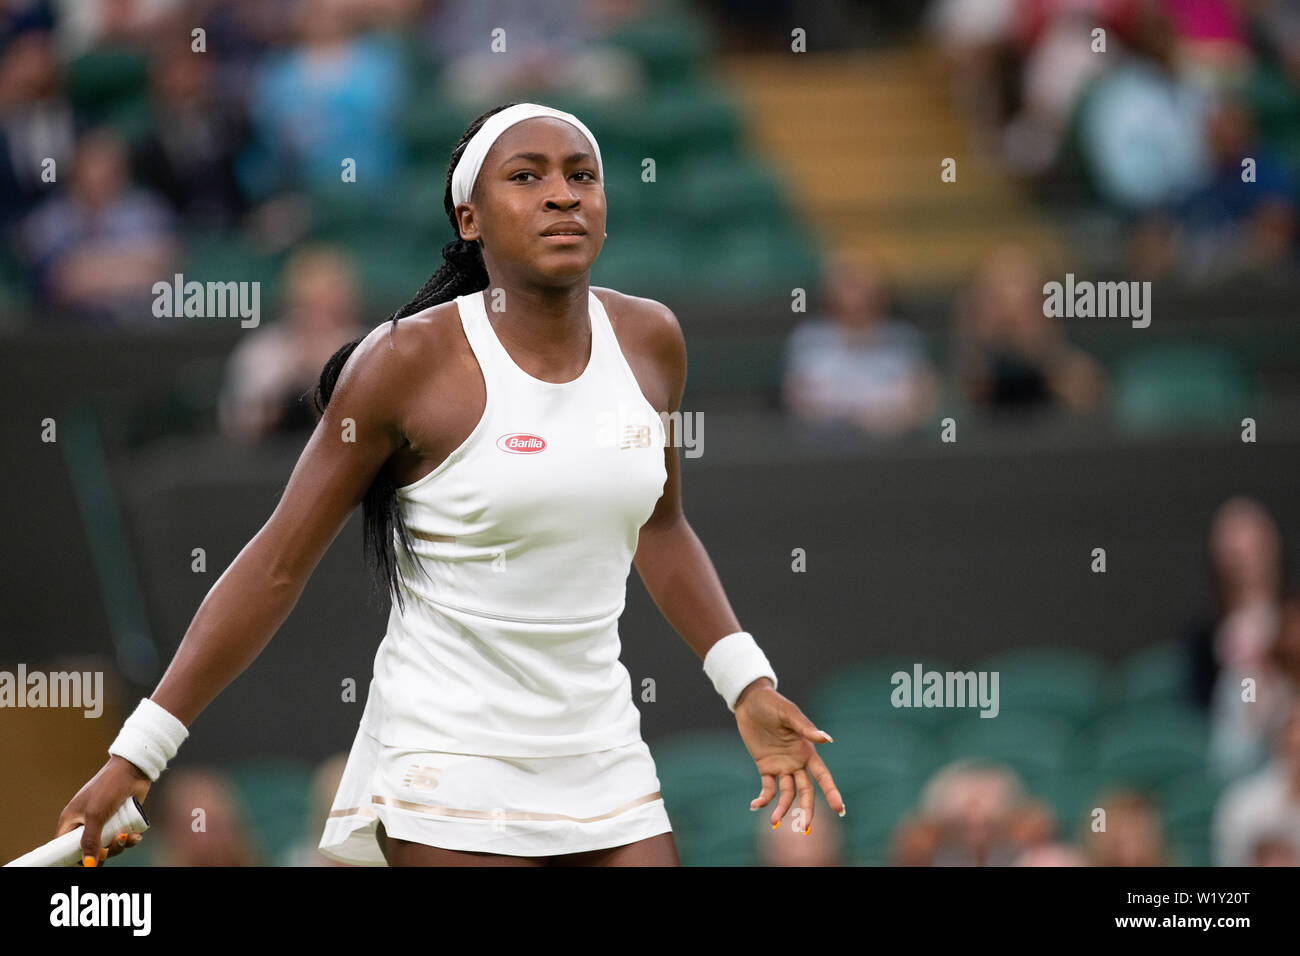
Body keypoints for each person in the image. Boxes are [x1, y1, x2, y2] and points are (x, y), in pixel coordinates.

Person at [54, 101, 844, 867]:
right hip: (445, 760)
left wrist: (746, 682)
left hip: (604, 753)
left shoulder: (652, 340)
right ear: (470, 217)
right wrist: (140, 752)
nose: (563, 194)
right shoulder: (402, 362)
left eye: (582, 175)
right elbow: (275, 564)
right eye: (526, 177)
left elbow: (663, 528)